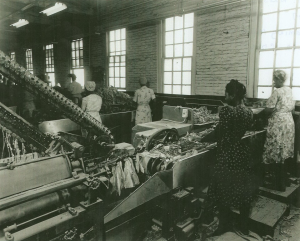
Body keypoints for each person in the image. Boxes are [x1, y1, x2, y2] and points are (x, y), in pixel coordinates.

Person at [202, 79, 256, 235]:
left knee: (223, 190)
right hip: (240, 153)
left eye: (226, 93)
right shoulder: (248, 112)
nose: (224, 96)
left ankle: (223, 226)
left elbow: (219, 133)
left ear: (232, 95)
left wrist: (200, 139)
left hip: (227, 154)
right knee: (242, 190)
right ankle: (244, 226)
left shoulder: (226, 111)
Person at [262, 70, 295, 191]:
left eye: (275, 79)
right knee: (284, 152)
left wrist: (263, 111)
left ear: (280, 80)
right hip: (288, 122)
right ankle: (284, 181)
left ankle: (278, 184)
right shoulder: (289, 90)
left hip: (279, 124)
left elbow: (268, 110)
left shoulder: (277, 92)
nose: (273, 81)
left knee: (276, 152)